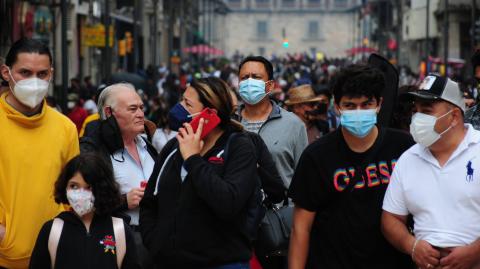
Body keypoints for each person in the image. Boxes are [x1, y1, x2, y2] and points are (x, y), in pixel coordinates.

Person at [288, 64, 415, 269]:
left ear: (379, 104)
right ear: (336, 106)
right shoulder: (316, 156)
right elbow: (301, 228)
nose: (359, 112)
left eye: (366, 105)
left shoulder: (404, 147)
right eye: (350, 105)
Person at [140, 77, 258, 268]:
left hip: (221, 262)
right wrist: (156, 242)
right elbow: (150, 202)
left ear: (210, 113)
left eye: (187, 104)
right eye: (181, 100)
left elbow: (228, 202)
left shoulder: (238, 147)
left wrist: (194, 159)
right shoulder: (173, 146)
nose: (178, 108)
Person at [382, 74, 480, 269]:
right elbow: (391, 218)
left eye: (426, 111)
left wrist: (475, 252)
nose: (418, 118)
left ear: (453, 116)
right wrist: (412, 245)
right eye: (415, 111)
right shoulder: (408, 159)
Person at [0, 38, 79, 269]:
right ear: (6, 72)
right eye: (25, 72)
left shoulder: (66, 128)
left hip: (55, 256)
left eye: (42, 74)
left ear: (51, 74)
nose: (34, 81)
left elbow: (74, 189)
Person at [80, 82, 157, 268]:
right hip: (114, 242)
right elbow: (81, 203)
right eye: (132, 109)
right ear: (109, 112)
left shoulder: (147, 144)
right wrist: (124, 201)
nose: (140, 114)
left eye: (141, 107)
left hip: (153, 240)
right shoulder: (91, 149)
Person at [29, 153, 141, 269]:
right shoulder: (51, 231)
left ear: (102, 189)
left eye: (88, 187)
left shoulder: (120, 231)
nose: (80, 193)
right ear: (65, 187)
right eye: (74, 186)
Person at [235, 56, 308, 189]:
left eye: (256, 77)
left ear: (270, 85)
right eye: (244, 77)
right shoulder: (229, 123)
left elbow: (304, 177)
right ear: (238, 84)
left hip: (281, 208)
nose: (249, 82)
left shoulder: (293, 124)